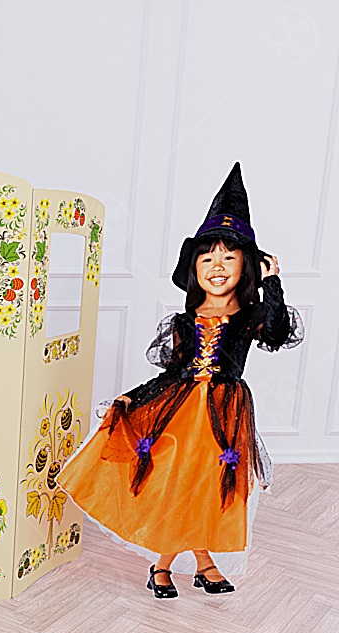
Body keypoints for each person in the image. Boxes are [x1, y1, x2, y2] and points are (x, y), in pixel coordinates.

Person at [57, 163, 302, 598]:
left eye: (229, 257)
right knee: (180, 483)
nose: (217, 266)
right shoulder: (184, 322)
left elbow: (280, 331)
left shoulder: (250, 317)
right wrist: (133, 398)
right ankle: (183, 566)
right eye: (207, 258)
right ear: (194, 268)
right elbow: (172, 372)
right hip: (179, 412)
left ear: (247, 266)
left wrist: (274, 283)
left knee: (208, 485)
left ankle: (179, 566)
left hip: (224, 415)